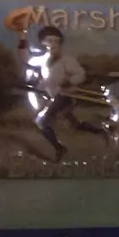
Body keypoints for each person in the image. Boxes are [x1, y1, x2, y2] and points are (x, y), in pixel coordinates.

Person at [21, 24, 105, 161]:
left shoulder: (67, 60)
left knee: (41, 122)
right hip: (55, 96)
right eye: (50, 41)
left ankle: (60, 148)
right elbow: (31, 68)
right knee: (74, 123)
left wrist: (69, 81)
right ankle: (101, 132)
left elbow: (80, 74)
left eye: (57, 41)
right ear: (42, 43)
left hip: (65, 96)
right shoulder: (40, 60)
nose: (54, 44)